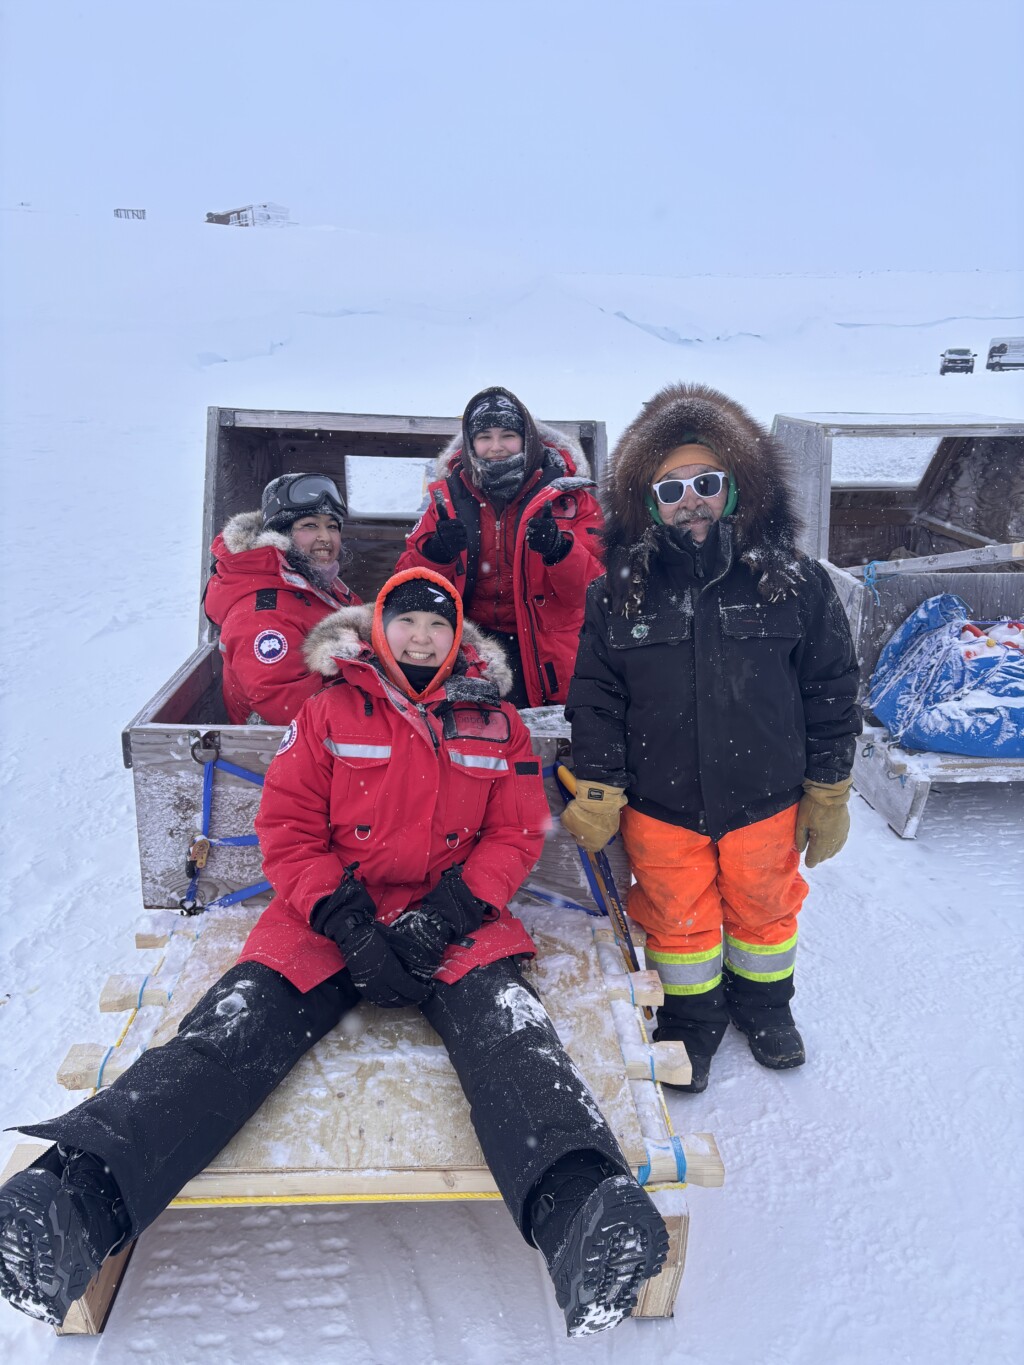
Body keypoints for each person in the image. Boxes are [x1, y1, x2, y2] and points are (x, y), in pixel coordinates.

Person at [0, 568, 667, 1337]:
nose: (421, 637)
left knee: (514, 1037)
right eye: (407, 622)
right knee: (228, 1033)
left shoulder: (499, 724)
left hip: (452, 917)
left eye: (437, 625)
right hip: (331, 914)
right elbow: (286, 826)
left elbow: (515, 832)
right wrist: (345, 917)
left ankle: (585, 1216)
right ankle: (72, 1201)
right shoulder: (328, 709)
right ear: (379, 629)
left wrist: (448, 912)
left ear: (459, 640)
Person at [562, 383, 861, 1093]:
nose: (690, 498)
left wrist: (830, 786)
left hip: (765, 796)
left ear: (736, 488)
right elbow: (597, 698)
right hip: (662, 803)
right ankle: (691, 1021)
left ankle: (765, 1007)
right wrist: (600, 785)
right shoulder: (617, 592)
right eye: (671, 488)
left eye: (706, 481)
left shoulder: (795, 582)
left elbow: (832, 685)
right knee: (677, 918)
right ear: (647, 499)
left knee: (764, 910)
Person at [395, 387, 604, 708]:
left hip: (548, 651)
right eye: (484, 436)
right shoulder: (444, 499)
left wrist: (559, 552)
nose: (496, 448)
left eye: (507, 435)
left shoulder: (570, 498)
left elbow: (595, 592)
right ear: (470, 442)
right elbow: (404, 591)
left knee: (547, 753)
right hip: (467, 646)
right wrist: (436, 555)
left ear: (528, 439)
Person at [205, 472, 361, 724]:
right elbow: (287, 709)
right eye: (310, 525)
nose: (326, 537)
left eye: (332, 526)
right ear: (282, 534)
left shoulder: (316, 583)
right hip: (277, 751)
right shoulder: (263, 612)